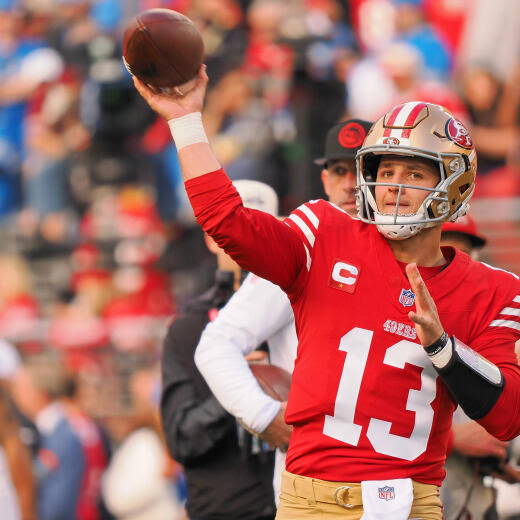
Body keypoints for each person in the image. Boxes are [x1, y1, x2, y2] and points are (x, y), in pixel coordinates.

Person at [133, 67, 520, 520]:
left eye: (413, 172)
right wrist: (185, 120)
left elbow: (508, 415)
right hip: (311, 500)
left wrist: (444, 349)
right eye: (385, 169)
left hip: (412, 503)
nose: (393, 185)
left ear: (454, 184)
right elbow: (228, 222)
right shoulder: (324, 230)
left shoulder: (494, 289)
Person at [194, 118, 372, 500]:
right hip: (315, 488)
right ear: (324, 180)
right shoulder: (307, 245)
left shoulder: (404, 252)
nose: (351, 183)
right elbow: (216, 343)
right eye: (339, 170)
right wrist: (264, 416)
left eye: (361, 168)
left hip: (392, 480)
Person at [160, 179, 280, 520]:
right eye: (233, 229)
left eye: (257, 228)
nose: (245, 241)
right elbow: (182, 441)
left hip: (296, 504)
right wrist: (238, 383)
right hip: (224, 510)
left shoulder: (302, 312)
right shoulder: (188, 328)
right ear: (211, 238)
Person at [439, 217, 520, 520]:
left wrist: (503, 453)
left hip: (474, 502)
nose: (457, 263)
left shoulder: (498, 325)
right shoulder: (399, 314)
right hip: (400, 499)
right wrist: (453, 438)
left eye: (465, 253)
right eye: (445, 251)